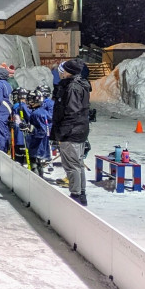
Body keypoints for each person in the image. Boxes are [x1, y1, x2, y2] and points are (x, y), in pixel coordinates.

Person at [52, 58, 91, 206]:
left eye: (62, 71)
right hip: (79, 130)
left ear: (68, 72)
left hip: (71, 132)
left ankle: (76, 195)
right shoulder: (80, 84)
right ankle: (80, 194)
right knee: (78, 164)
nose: (60, 73)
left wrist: (62, 133)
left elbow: (71, 112)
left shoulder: (73, 87)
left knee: (72, 165)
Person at [27, 86, 54, 175]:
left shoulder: (37, 113)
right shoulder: (41, 111)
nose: (28, 102)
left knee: (35, 163)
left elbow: (42, 131)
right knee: (37, 163)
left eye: (30, 100)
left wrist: (30, 129)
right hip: (40, 144)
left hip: (38, 144)